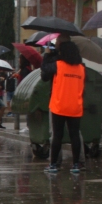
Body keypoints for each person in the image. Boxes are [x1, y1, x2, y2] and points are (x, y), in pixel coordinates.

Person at [40, 40, 86, 173]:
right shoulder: (81, 68)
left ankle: (53, 164)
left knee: (57, 136)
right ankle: (76, 164)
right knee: (75, 135)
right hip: (75, 106)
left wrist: (47, 55)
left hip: (59, 105)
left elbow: (44, 70)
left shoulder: (58, 65)